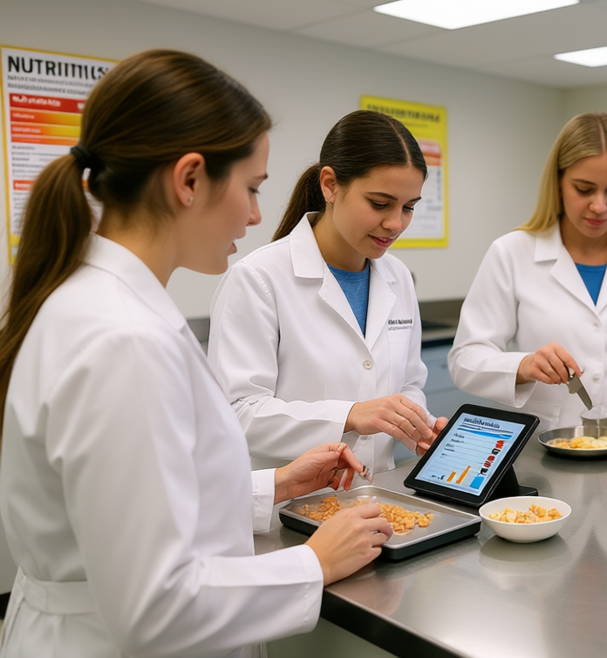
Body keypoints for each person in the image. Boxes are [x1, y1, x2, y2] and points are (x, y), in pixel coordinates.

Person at [0, 50, 394, 658]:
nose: (257, 214)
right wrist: (313, 564)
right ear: (188, 180)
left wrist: (274, 485)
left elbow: (137, 504)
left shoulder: (102, 304)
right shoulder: (123, 339)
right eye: (251, 188)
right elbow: (156, 607)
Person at [208, 110, 446, 473]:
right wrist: (349, 415)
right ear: (330, 185)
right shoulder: (259, 278)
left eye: (409, 207)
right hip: (288, 501)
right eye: (380, 204)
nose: (395, 223)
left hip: (374, 493)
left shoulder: (397, 276)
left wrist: (416, 425)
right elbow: (236, 412)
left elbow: (409, 382)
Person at [448, 112, 607, 433]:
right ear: (559, 183)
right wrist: (523, 365)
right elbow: (465, 359)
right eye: (584, 189)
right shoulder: (512, 252)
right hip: (544, 443)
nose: (599, 206)